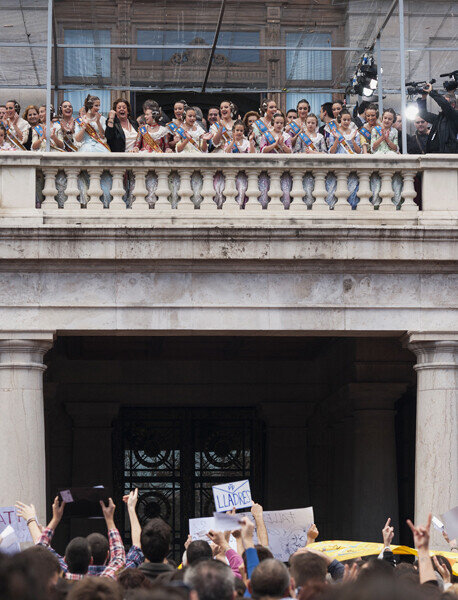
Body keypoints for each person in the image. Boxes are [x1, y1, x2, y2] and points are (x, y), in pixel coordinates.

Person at [36, 495, 126, 580]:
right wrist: (109, 519)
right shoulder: (107, 579)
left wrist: (55, 518)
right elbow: (119, 556)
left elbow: (40, 549)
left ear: (66, 560)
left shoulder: (60, 578)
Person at [417, 82, 458, 153]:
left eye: (445, 100)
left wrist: (432, 92)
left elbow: (444, 104)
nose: (441, 104)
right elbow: (423, 114)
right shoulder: (439, 118)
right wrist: (424, 98)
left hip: (447, 155)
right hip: (433, 154)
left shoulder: (454, 116)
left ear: (453, 105)